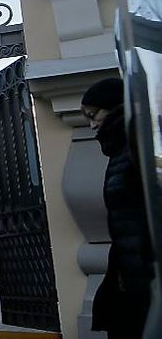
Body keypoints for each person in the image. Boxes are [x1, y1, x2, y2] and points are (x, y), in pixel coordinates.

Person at [81, 78, 154, 339]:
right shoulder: (120, 148)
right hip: (130, 270)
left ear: (114, 106)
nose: (91, 124)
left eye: (93, 114)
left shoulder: (140, 139)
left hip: (146, 273)